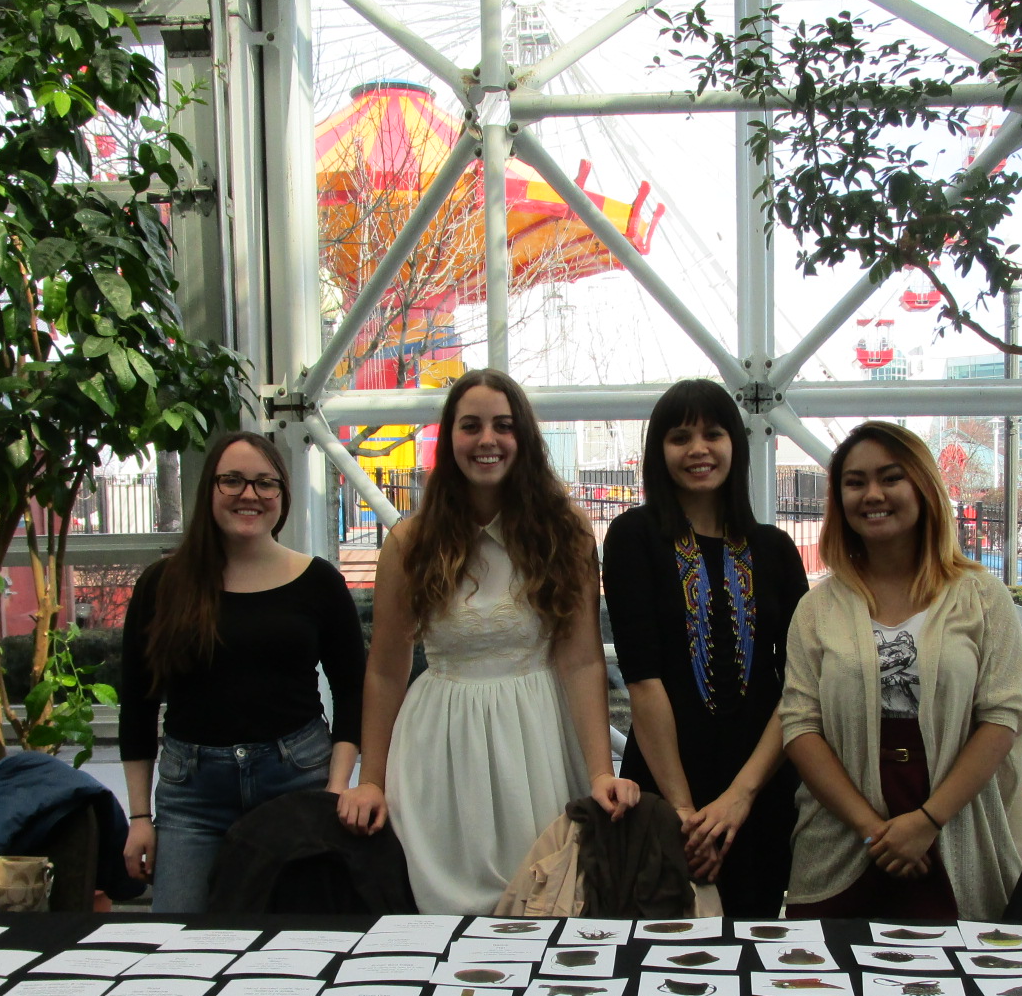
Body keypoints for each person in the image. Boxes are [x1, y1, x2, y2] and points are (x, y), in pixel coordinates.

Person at [338, 369, 638, 913]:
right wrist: (371, 781)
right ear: (449, 437)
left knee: (545, 897)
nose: (487, 440)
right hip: (440, 750)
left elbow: (582, 661)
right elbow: (384, 669)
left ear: (523, 437)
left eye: (503, 425)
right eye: (470, 426)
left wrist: (600, 771)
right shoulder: (411, 540)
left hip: (540, 741)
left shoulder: (564, 531)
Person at [780, 421, 1022, 921]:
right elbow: (800, 726)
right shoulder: (817, 609)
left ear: (923, 487)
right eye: (854, 483)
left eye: (890, 477)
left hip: (956, 830)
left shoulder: (982, 597)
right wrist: (873, 829)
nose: (872, 494)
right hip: (839, 842)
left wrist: (926, 821)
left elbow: (1005, 714)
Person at [119, 429, 365, 913]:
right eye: (231, 480)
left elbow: (353, 692)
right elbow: (138, 703)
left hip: (298, 780)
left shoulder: (319, 583)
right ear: (208, 490)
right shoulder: (162, 585)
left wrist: (335, 792)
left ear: (282, 495)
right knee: (179, 946)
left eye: (264, 483)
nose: (249, 495)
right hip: (192, 797)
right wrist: (140, 816)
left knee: (302, 942)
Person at [601, 380, 810, 918]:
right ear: (658, 452)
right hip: (668, 788)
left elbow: (799, 687)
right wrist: (683, 813)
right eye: (680, 437)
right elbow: (643, 679)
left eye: (713, 433)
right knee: (661, 949)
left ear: (735, 445)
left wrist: (740, 796)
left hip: (760, 791)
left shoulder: (775, 550)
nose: (699, 449)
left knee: (756, 946)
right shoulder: (633, 538)